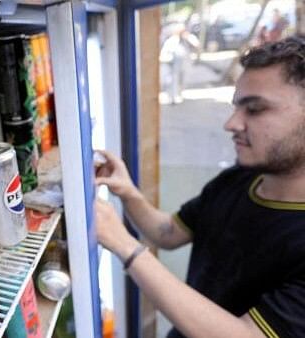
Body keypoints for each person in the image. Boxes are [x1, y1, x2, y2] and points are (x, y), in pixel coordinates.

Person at [95, 35, 305, 338]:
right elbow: (167, 233)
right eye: (236, 108)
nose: (231, 123)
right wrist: (127, 192)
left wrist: (125, 247)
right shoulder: (239, 178)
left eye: (255, 109)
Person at [160, 24, 200, 104]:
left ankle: (178, 95)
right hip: (172, 66)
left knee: (182, 80)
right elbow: (165, 53)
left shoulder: (187, 39)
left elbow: (196, 44)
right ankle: (172, 97)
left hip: (183, 65)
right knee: (172, 81)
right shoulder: (172, 40)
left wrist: (188, 37)